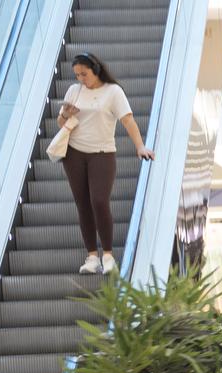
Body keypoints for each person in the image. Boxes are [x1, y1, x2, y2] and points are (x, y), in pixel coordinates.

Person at [59, 53, 154, 275]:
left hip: (102, 153)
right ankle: (91, 256)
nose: (81, 78)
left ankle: (108, 255)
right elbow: (61, 122)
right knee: (83, 204)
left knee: (99, 201)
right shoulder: (74, 91)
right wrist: (65, 113)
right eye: (77, 75)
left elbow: (127, 120)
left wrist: (140, 147)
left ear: (96, 70)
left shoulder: (113, 92)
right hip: (74, 154)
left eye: (84, 74)